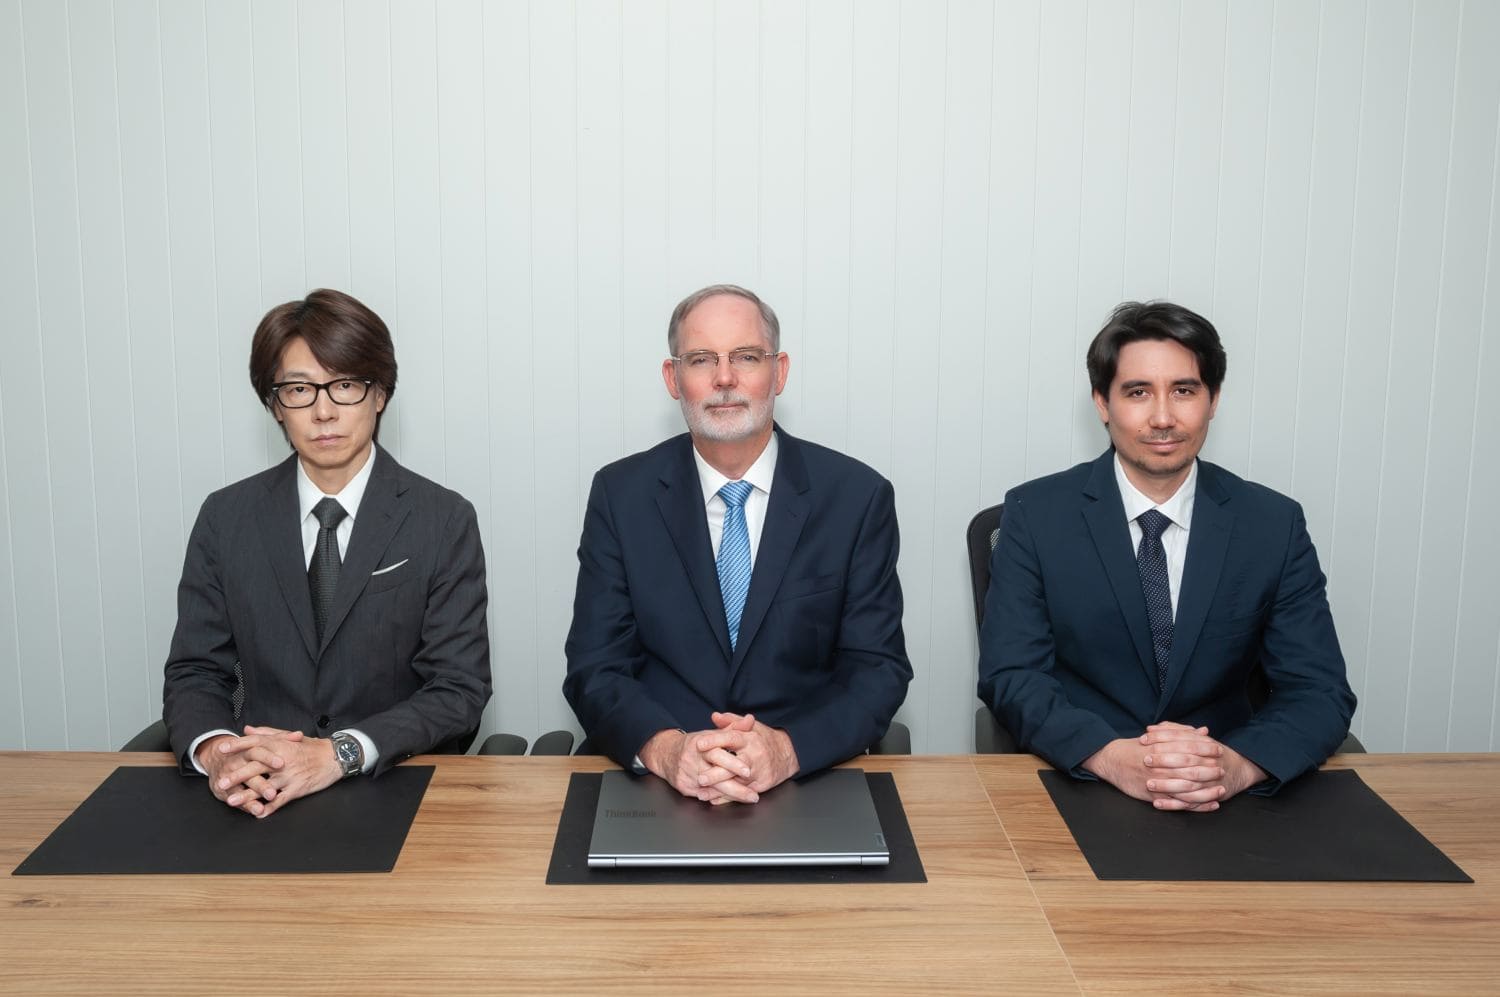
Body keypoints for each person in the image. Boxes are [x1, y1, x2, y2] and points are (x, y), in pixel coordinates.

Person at [978, 300, 1355, 812]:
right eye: (1137, 392)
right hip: (1084, 783)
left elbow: (1319, 690)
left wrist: (1235, 767)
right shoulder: (1034, 515)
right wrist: (1112, 758)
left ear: (1214, 399)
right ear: (1102, 402)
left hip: (1227, 795)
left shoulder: (1272, 524)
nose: (1162, 418)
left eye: (1184, 391)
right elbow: (1012, 676)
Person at [563, 284, 911, 804]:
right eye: (701, 359)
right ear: (672, 378)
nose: (724, 378)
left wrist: (788, 750)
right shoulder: (620, 495)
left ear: (781, 371)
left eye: (747, 357)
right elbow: (595, 665)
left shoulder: (856, 497)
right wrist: (665, 750)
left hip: (807, 778)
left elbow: (877, 670)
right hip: (660, 781)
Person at [162, 289, 491, 818]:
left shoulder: (442, 519)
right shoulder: (226, 518)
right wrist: (217, 752)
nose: (322, 411)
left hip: (392, 787)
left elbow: (458, 689)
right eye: (298, 389)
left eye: (344, 386)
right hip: (257, 791)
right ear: (274, 404)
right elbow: (196, 671)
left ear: (379, 394)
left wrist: (340, 753)